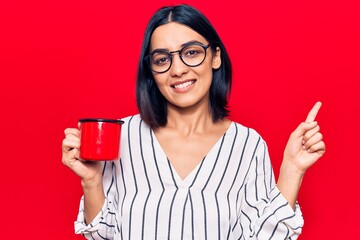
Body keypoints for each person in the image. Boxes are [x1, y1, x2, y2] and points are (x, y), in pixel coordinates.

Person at [62, 4, 325, 240]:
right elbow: (103, 236)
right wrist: (92, 182)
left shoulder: (247, 145)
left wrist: (292, 170)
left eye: (191, 52)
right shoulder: (121, 137)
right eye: (162, 59)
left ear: (215, 57)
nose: (177, 70)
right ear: (151, 72)